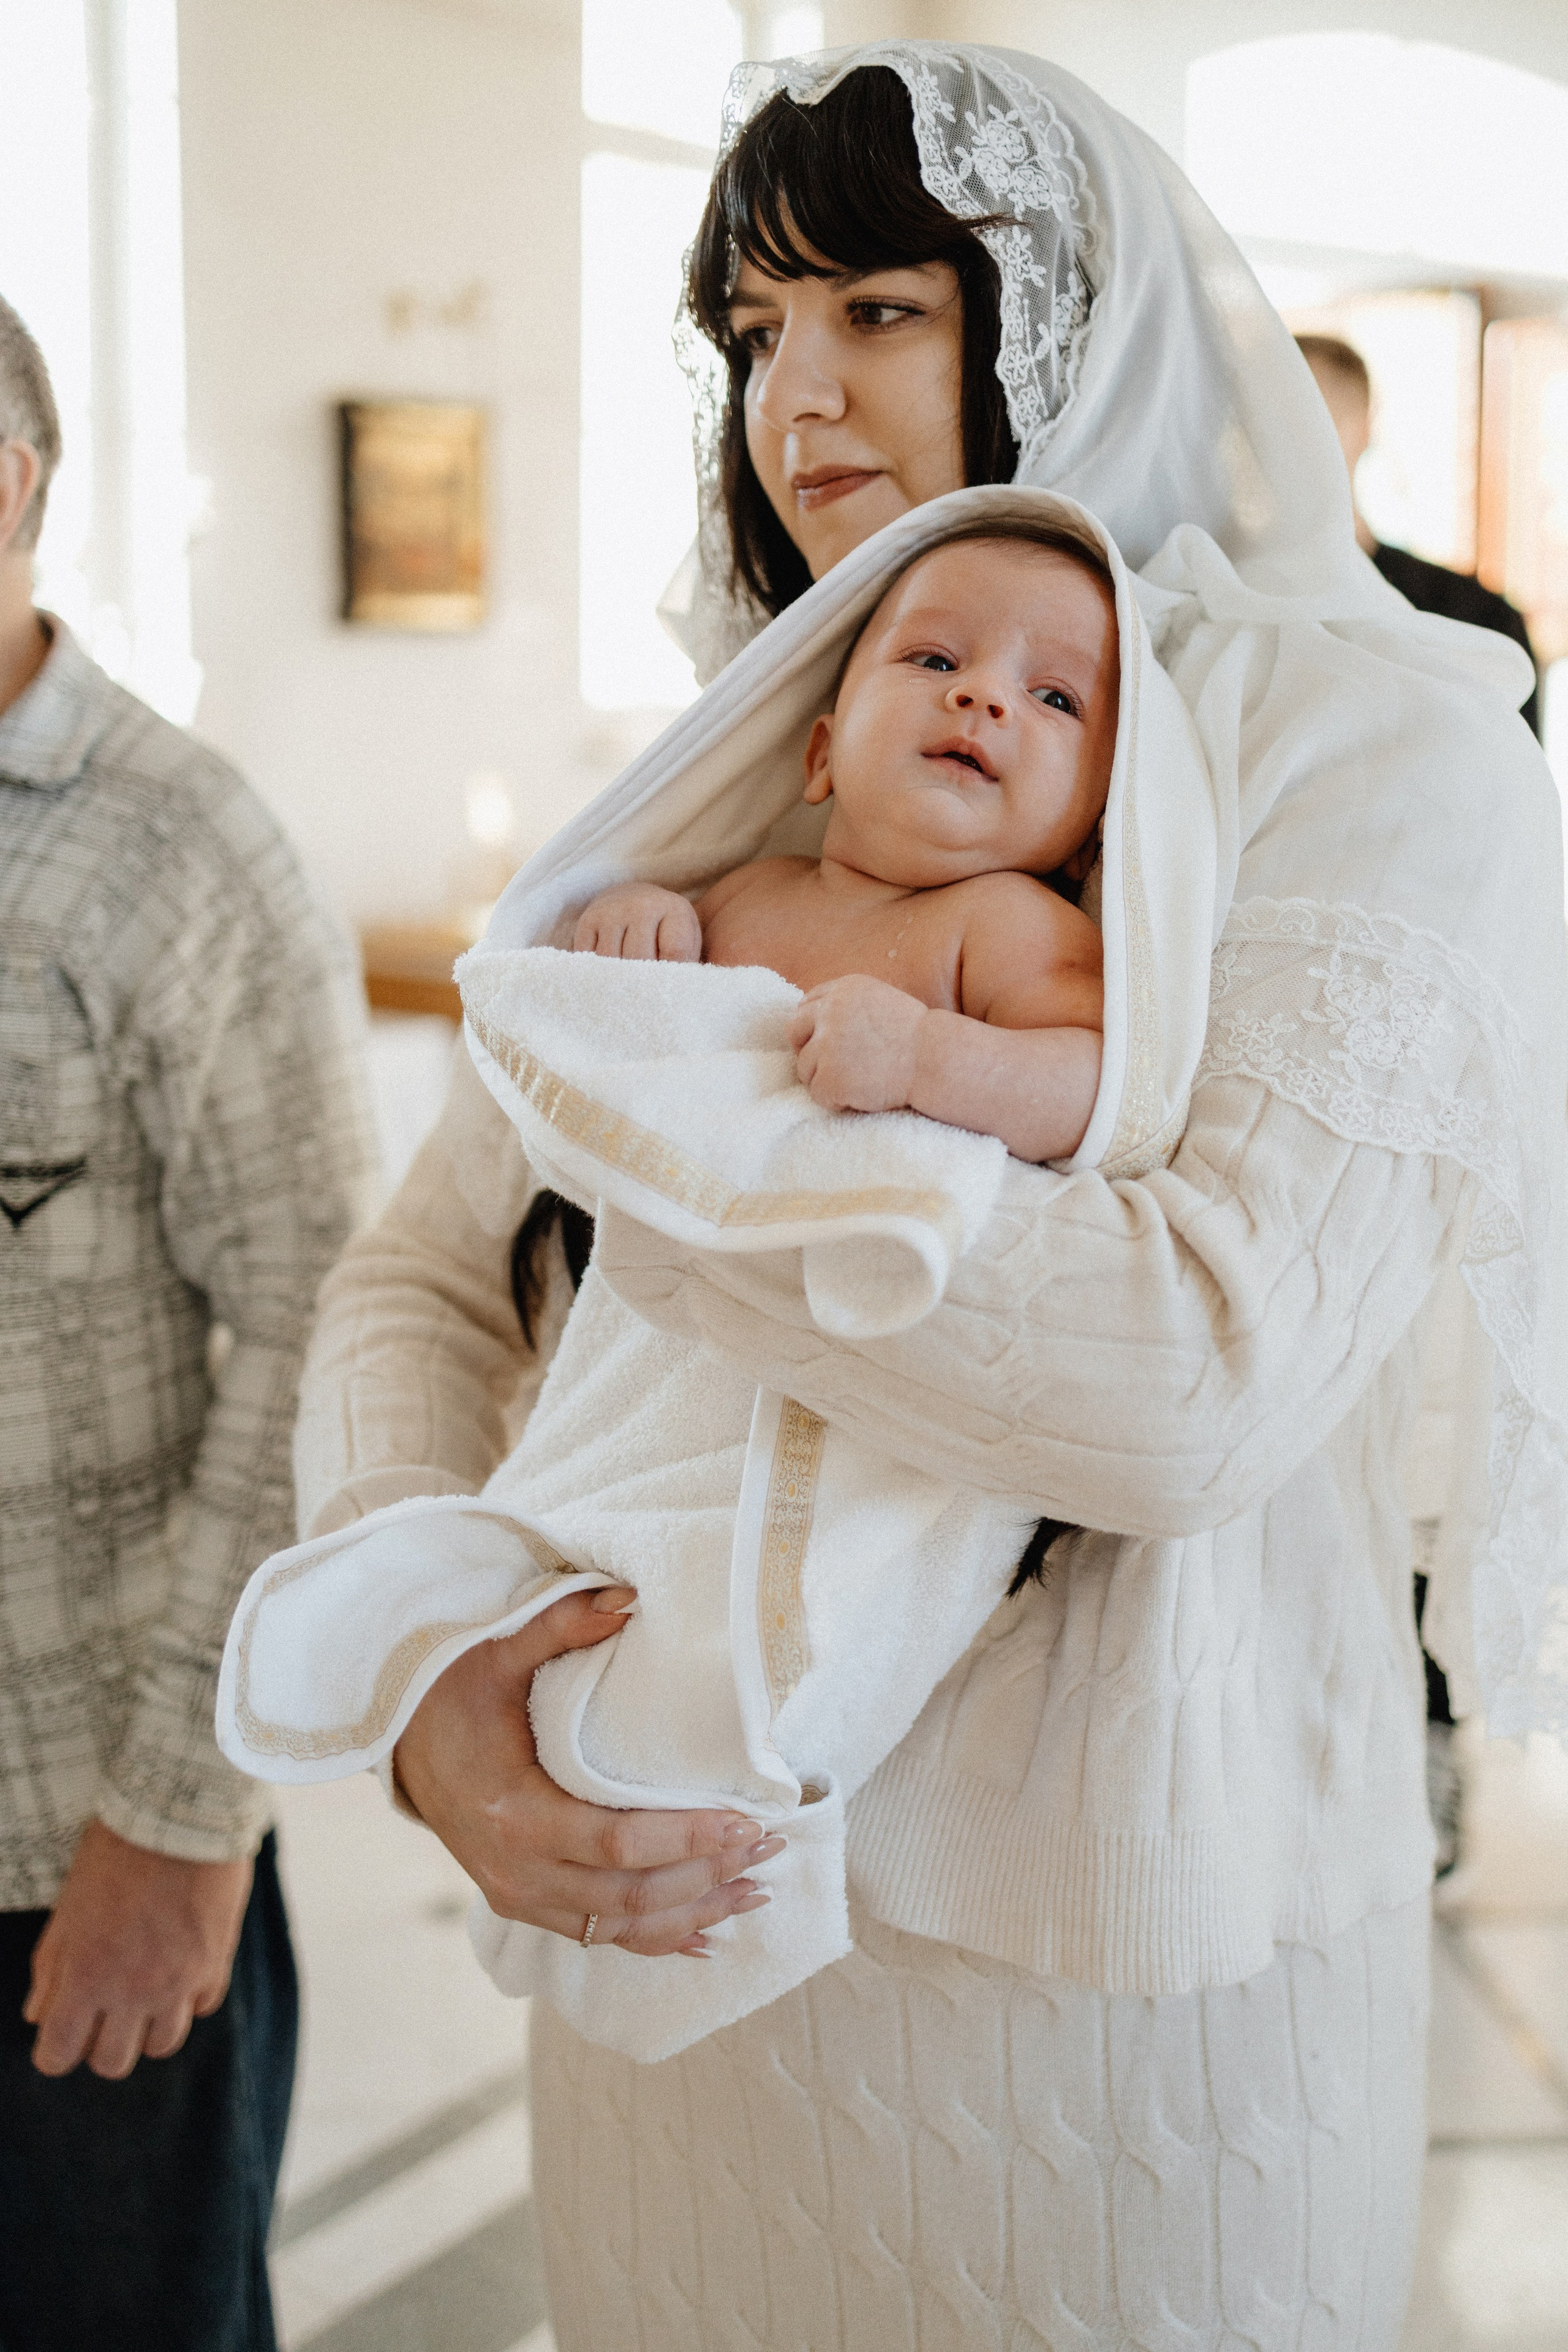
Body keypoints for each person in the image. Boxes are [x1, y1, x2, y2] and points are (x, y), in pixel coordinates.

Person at [293, 47, 1564, 2349]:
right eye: (754, 329)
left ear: (1072, 299)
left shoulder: (1382, 750)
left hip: (1131, 2009)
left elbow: (1195, 1376)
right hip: (670, 1941)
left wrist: (671, 1144)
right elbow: (422, 1270)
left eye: (877, 305)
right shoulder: (754, 743)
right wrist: (426, 1653)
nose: (797, 396)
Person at [0, 296, 375, 2351]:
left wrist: (177, 1816)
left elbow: (330, 1333)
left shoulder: (177, 853)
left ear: (10, 487)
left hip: (71, 1853)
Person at [1297, 327, 1544, 1879]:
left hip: (1423, 1056)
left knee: (1425, 1429)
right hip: (1285, 1042)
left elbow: (1495, 855)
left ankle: (1436, 1739)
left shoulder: (1463, 617)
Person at [578, 526, 1113, 1158]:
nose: (984, 694)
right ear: (822, 757)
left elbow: (1093, 1089)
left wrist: (922, 1057)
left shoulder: (1013, 925)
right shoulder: (749, 891)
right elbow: (640, 1029)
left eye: (1054, 697)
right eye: (935, 660)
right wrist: (640, 917)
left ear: (1092, 834)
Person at [1296, 331, 1540, 737]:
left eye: (1314, 421)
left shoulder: (1475, 620)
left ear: (1365, 426)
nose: (1289, 449)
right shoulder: (1220, 607)